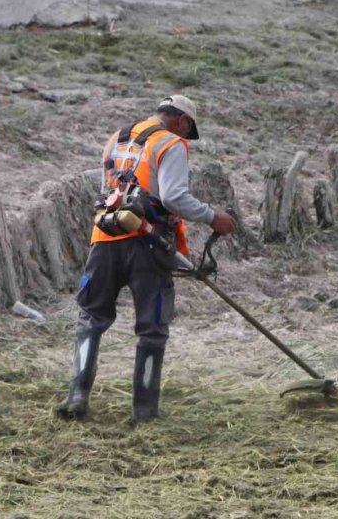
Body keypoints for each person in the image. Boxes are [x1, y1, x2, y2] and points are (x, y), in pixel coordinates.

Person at [56, 95, 237, 422]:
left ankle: (77, 396)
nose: (185, 138)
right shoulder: (171, 144)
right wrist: (213, 217)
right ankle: (144, 412)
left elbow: (105, 191)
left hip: (104, 239)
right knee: (152, 329)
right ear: (182, 121)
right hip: (147, 246)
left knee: (90, 320)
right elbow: (173, 197)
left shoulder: (116, 139)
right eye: (187, 131)